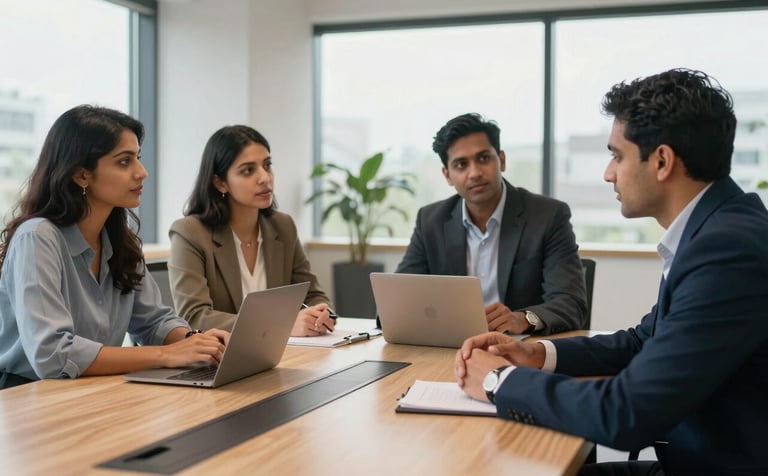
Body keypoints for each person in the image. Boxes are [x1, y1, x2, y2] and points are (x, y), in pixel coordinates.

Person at [454, 69, 768, 476]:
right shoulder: (716, 228)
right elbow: (643, 340)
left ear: (661, 161)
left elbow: (627, 413)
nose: (608, 173)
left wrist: (500, 381)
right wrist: (535, 354)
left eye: (617, 155)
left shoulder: (727, 250)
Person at [0, 105, 229, 389]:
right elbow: (52, 354)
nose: (142, 172)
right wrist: (166, 355)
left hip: (91, 389)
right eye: (124, 162)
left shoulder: (120, 240)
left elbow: (154, 321)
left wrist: (195, 341)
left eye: (138, 159)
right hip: (27, 394)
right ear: (81, 175)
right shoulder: (37, 238)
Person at [396, 113, 587, 335]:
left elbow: (571, 303)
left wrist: (523, 319)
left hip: (520, 349)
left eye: (484, 158)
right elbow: (398, 303)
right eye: (461, 164)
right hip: (452, 349)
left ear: (502, 160)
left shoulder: (548, 216)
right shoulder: (431, 221)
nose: (475, 172)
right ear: (447, 175)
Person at [168, 125, 334, 337]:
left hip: (285, 355)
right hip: (221, 360)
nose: (264, 178)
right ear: (220, 183)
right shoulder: (190, 233)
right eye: (248, 170)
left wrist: (322, 313)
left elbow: (312, 294)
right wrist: (279, 325)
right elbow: (194, 316)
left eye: (267, 165)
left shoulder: (283, 227)